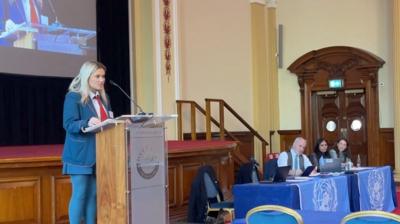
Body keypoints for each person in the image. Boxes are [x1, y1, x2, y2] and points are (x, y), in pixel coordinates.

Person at [62, 61, 112, 224]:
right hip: (80, 154)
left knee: (93, 194)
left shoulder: (104, 99)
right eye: (97, 76)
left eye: (103, 76)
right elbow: (68, 124)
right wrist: (86, 122)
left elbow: (107, 121)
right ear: (86, 77)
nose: (101, 80)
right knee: (81, 193)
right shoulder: (74, 96)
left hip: (100, 153)